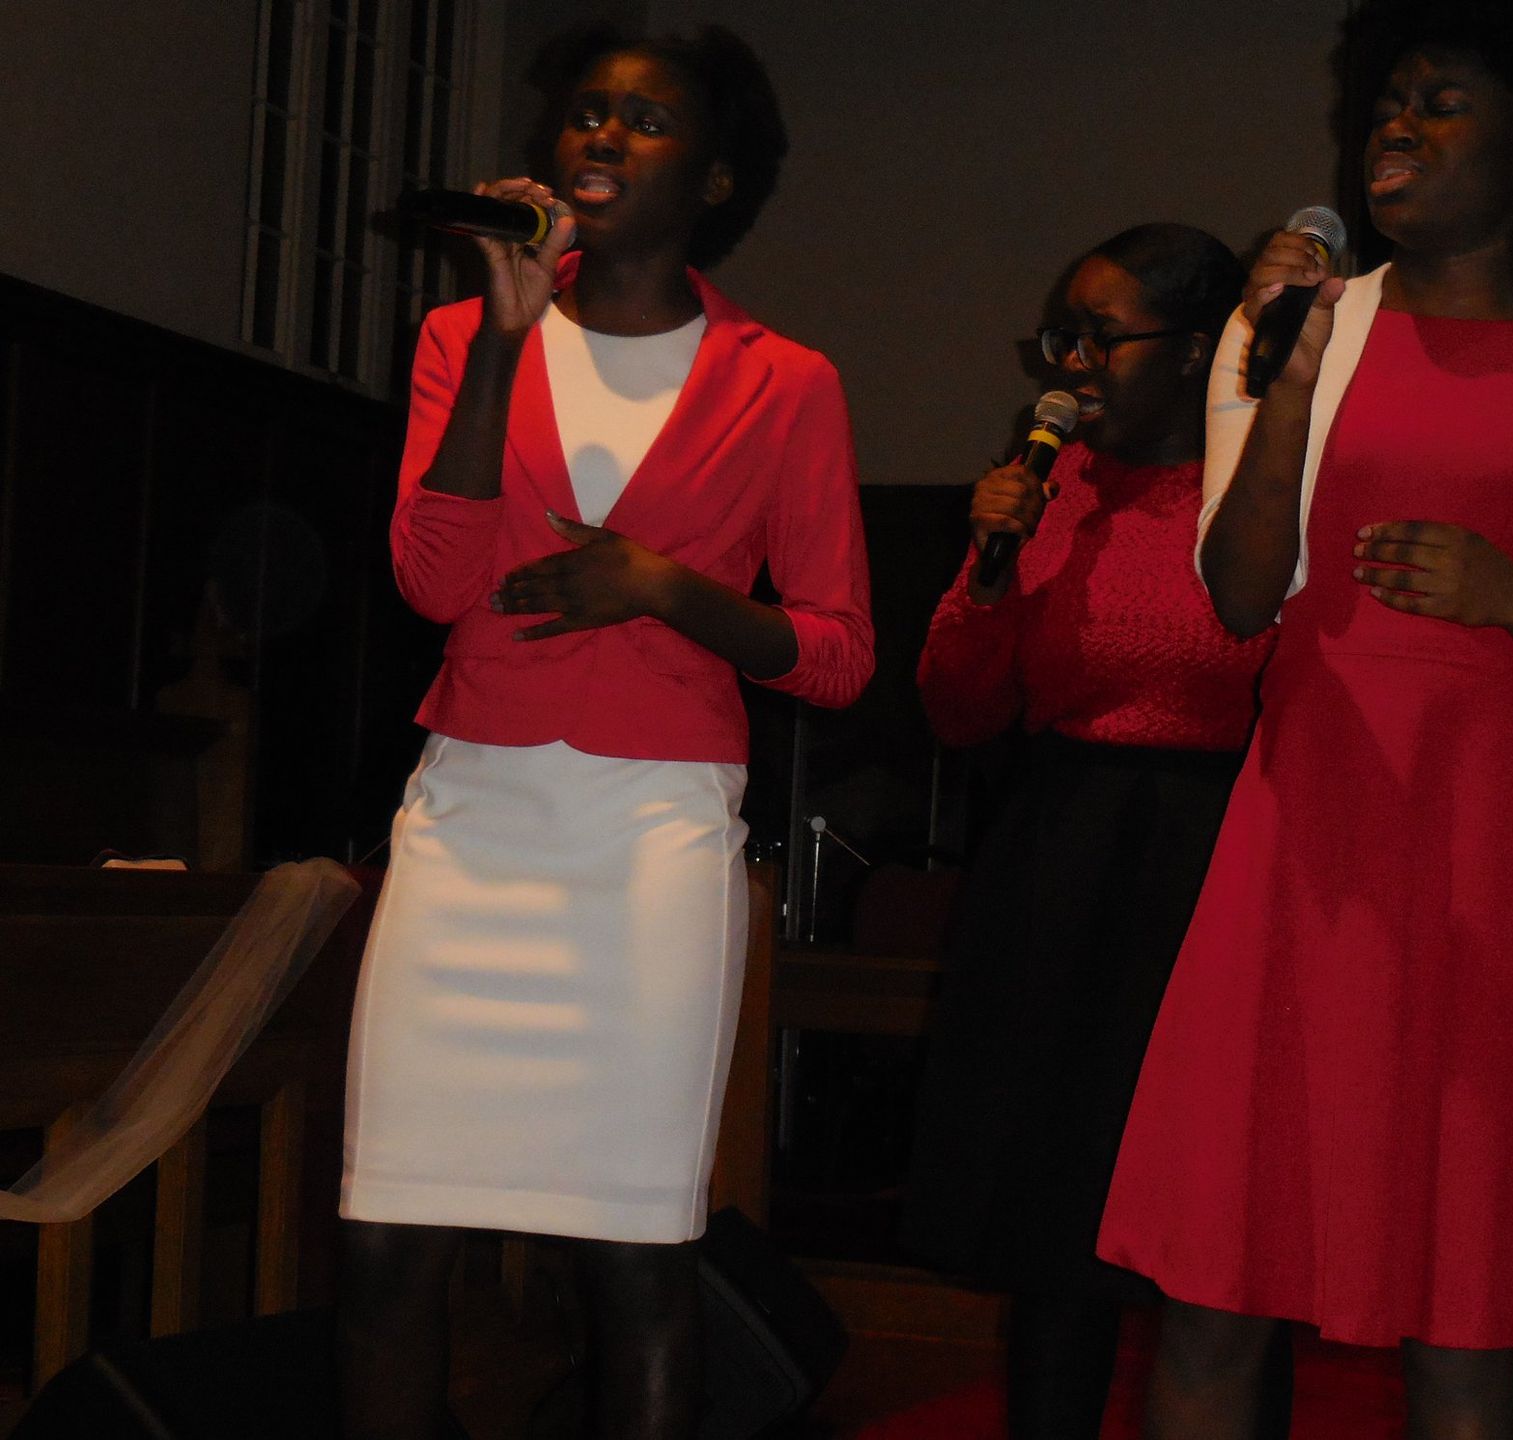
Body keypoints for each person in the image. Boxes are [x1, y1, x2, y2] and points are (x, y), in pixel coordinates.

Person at [1094, 5, 1513, 1438]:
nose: (1396, 126)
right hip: (1303, 838)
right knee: (1215, 1285)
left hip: (1491, 863)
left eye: (1441, 104)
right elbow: (1239, 600)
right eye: (1386, 103)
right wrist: (1293, 375)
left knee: (1463, 1308)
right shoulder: (1295, 331)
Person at [335, 28, 873, 1440]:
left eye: (644, 122)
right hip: (470, 817)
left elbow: (836, 657)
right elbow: (436, 584)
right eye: (586, 113)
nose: (600, 139)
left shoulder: (786, 381)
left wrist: (667, 590)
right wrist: (508, 341)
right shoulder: (466, 335)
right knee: (389, 1244)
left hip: (650, 840)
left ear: (714, 177)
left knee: (635, 1262)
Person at [904, 224, 1278, 1440]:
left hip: (1217, 870)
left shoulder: (1265, 490)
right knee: (1054, 1227)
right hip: (1060, 865)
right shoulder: (1049, 484)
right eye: (1061, 336)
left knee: (1217, 1240)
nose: (1068, 366)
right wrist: (992, 565)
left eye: (1100, 339)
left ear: (1198, 355)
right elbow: (960, 712)